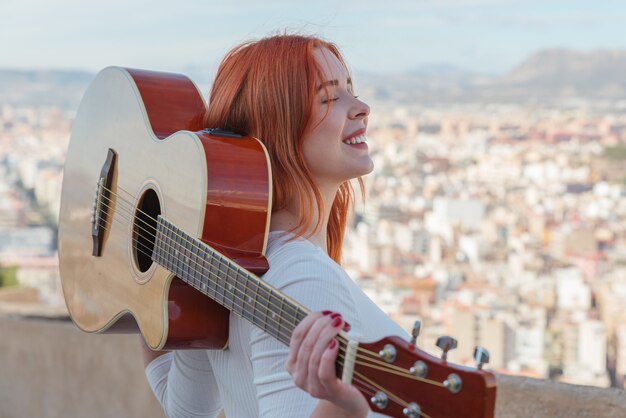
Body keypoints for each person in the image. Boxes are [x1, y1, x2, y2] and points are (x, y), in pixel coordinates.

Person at [141, 33, 408, 418]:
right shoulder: (301, 274)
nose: (362, 107)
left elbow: (183, 406)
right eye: (330, 98)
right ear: (279, 127)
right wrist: (344, 409)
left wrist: (135, 290)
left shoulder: (230, 261)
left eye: (351, 91)